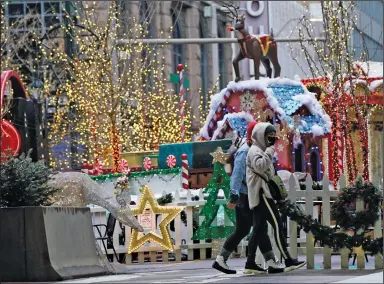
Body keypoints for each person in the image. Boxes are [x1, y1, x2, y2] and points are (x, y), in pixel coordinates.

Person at [212, 121, 285, 275]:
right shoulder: (245, 151)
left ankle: (222, 259)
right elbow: (237, 174)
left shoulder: (253, 149)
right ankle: (269, 261)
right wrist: (234, 195)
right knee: (259, 228)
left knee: (244, 229)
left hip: (247, 194)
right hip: (245, 196)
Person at [246, 122, 306, 272]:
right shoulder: (255, 150)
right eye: (269, 136)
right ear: (261, 136)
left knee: (259, 229)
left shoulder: (260, 149)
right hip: (261, 194)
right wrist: (270, 150)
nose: (272, 139)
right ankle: (288, 260)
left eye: (274, 136)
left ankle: (250, 263)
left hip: (262, 194)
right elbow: (260, 166)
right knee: (277, 224)